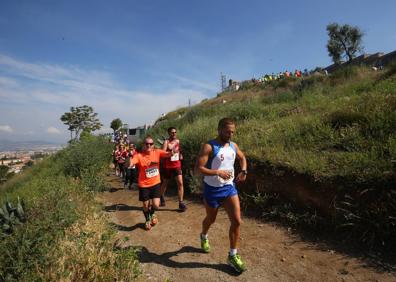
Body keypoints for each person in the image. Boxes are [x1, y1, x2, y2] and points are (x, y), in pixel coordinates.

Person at [195, 117, 248, 273]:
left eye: (232, 132)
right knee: (211, 219)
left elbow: (242, 157)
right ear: (219, 130)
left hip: (229, 188)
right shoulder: (209, 146)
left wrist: (244, 170)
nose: (230, 134)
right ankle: (204, 235)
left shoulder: (233, 146)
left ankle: (232, 255)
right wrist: (217, 172)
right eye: (227, 131)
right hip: (212, 190)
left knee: (237, 221)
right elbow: (199, 168)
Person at [130, 136, 174, 230]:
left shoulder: (157, 152)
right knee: (145, 205)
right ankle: (147, 219)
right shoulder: (139, 156)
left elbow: (167, 154)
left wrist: (172, 152)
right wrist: (129, 162)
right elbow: (132, 161)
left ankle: (152, 213)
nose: (149, 145)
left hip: (155, 183)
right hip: (144, 184)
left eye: (151, 144)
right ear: (144, 145)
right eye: (147, 144)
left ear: (153, 145)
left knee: (156, 205)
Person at [160, 127, 187, 211]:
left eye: (175, 132)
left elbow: (180, 150)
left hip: (177, 165)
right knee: (165, 183)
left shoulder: (178, 141)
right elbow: (162, 154)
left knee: (180, 183)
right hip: (167, 166)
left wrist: (180, 154)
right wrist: (170, 153)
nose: (174, 134)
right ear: (169, 133)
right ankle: (161, 197)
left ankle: (181, 203)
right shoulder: (166, 142)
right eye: (172, 132)